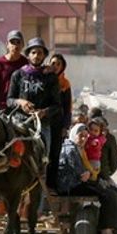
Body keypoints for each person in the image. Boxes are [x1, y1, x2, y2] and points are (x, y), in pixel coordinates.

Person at [56, 123, 117, 234]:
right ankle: (106, 233)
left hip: (77, 183)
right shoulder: (70, 148)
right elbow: (82, 174)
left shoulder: (77, 148)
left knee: (114, 192)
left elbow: (86, 173)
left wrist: (90, 176)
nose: (83, 139)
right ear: (73, 135)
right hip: (71, 186)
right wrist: (88, 175)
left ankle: (114, 230)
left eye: (86, 136)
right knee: (108, 195)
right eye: (81, 136)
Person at [7, 37, 61, 173]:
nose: (36, 56)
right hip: (18, 122)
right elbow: (9, 100)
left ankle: (41, 191)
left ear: (44, 56)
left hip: (41, 125)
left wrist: (43, 112)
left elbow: (57, 106)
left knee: (43, 159)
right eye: (33, 52)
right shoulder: (18, 75)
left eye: (40, 53)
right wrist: (20, 102)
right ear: (28, 54)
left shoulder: (51, 78)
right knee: (7, 153)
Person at [47, 53, 72, 189]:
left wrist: (65, 126)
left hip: (57, 124)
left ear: (63, 67)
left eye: (58, 64)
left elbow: (67, 107)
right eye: (53, 63)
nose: (55, 66)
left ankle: (51, 185)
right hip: (43, 122)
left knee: (55, 154)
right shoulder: (44, 79)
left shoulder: (65, 84)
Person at [0, 30, 28, 110]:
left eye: (18, 42)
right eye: (12, 42)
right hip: (2, 109)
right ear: (7, 45)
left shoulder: (26, 64)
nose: (15, 46)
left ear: (23, 45)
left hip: (22, 108)